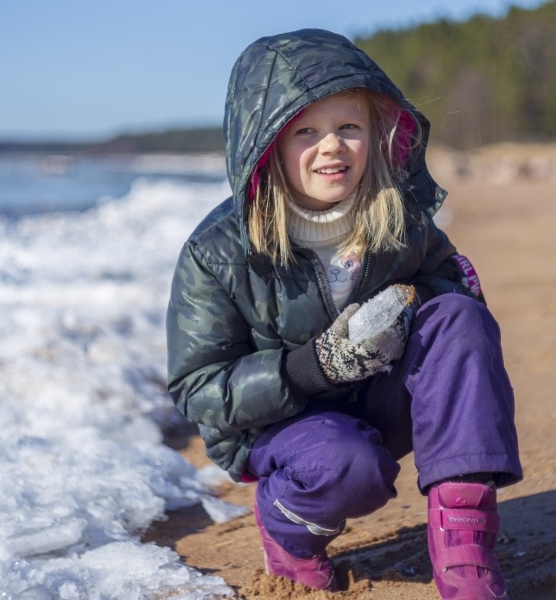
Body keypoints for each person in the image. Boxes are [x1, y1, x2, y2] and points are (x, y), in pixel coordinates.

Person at [166, 28, 522, 599]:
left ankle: (465, 549)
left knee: (458, 319)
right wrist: (311, 367)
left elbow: (458, 299)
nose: (331, 146)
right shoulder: (217, 252)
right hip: (280, 426)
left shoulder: (398, 218)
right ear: (267, 145)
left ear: (377, 133)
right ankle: (288, 530)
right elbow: (197, 387)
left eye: (347, 127)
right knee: (350, 465)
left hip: (377, 394)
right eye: (305, 131)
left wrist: (409, 305)